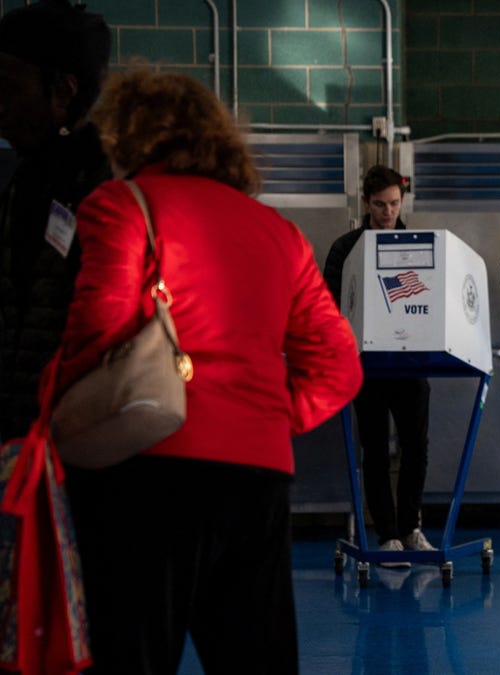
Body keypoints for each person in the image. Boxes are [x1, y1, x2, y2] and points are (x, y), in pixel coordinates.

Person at [54, 69, 363, 674]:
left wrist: (57, 415)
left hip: (144, 466)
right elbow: (339, 365)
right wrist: (267, 416)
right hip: (258, 475)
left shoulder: (123, 204)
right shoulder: (278, 232)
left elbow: (98, 325)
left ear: (131, 137)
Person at [0, 0, 111, 442]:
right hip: (22, 438)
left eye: (8, 89)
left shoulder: (107, 186)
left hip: (82, 441)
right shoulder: (22, 180)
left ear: (63, 92)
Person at [323, 165, 434, 564]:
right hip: (367, 366)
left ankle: (410, 527)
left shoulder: (421, 246)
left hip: (411, 362)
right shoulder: (345, 249)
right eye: (380, 205)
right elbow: (331, 307)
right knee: (373, 450)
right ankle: (387, 534)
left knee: (415, 449)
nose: (388, 212)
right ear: (366, 203)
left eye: (394, 204)